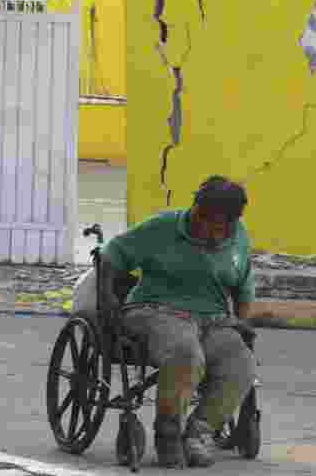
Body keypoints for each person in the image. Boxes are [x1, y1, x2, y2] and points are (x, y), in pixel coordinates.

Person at [99, 175, 257, 468]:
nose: (203, 226)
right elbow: (112, 254)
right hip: (156, 310)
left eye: (214, 223)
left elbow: (244, 286)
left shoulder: (239, 237)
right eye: (200, 216)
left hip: (212, 318)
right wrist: (107, 296)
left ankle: (198, 432)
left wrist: (240, 322)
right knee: (186, 353)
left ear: (229, 223)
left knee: (241, 362)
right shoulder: (163, 227)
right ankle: (168, 434)